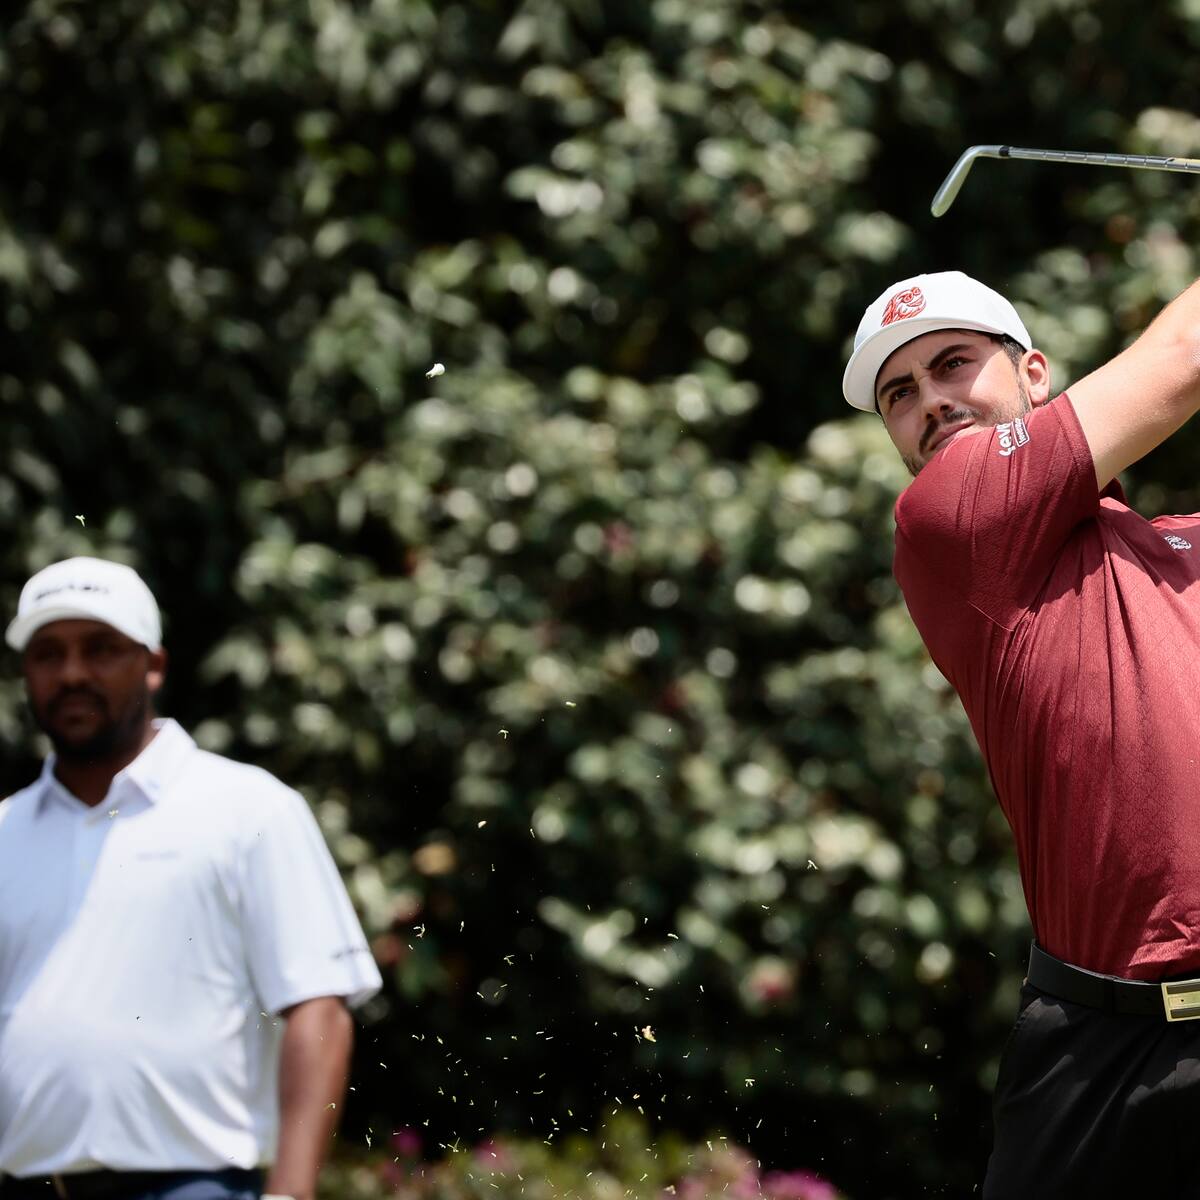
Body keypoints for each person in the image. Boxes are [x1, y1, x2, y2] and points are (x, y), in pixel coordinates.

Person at [843, 270, 1200, 1198]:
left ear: (1034, 374)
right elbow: (1185, 356)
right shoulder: (950, 518)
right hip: (1105, 1047)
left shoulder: (1180, 548)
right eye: (899, 395)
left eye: (953, 364)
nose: (929, 403)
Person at [0, 557, 383, 1200]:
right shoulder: (5, 832)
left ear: (153, 665)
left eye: (101, 650)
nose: (71, 674)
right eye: (48, 653)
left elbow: (319, 1005)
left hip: (193, 1186)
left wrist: (291, 1193)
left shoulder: (248, 810)